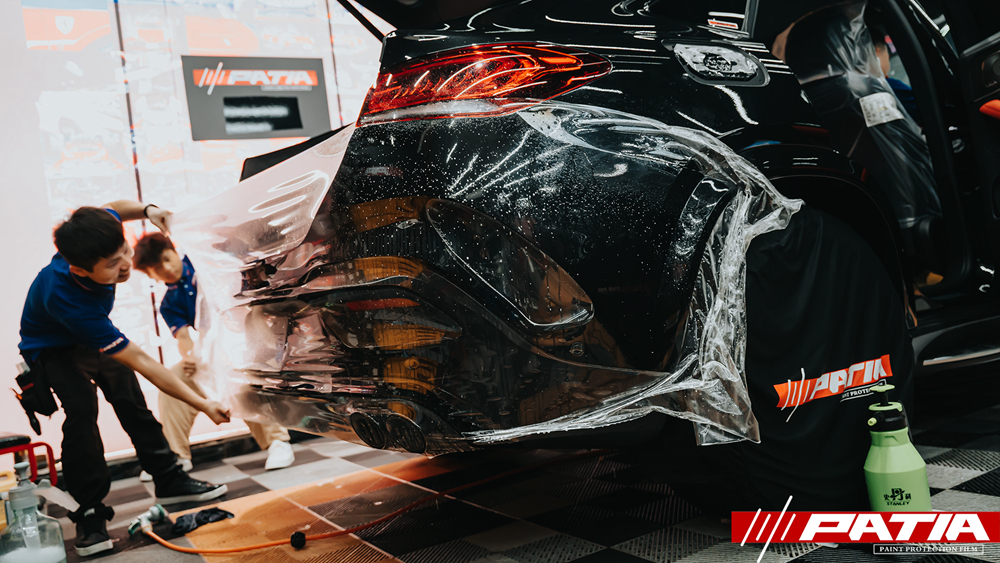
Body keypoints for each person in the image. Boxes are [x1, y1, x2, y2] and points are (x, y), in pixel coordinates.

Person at [18, 202, 230, 557]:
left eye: (125, 252)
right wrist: (203, 403)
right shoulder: (69, 300)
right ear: (80, 270)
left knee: (131, 399)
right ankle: (89, 512)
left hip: (89, 335)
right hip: (53, 347)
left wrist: (149, 210)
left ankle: (169, 479)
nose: (126, 264)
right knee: (82, 412)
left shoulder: (95, 237)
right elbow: (144, 361)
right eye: (113, 264)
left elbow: (115, 209)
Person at [132, 232, 295, 479]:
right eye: (156, 268)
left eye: (166, 259)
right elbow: (184, 338)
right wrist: (189, 357)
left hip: (245, 340)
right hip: (211, 354)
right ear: (150, 274)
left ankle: (277, 442)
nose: (166, 268)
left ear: (174, 250)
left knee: (247, 376)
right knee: (174, 381)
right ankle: (176, 456)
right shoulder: (169, 303)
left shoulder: (203, 261)